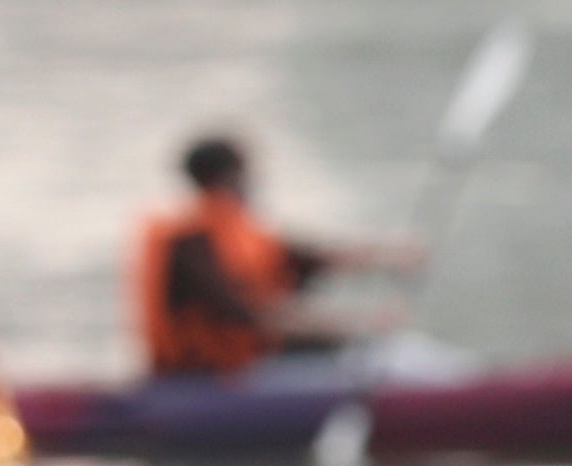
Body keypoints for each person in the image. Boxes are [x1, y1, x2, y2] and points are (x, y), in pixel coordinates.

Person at [131, 134, 417, 381]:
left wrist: (388, 256)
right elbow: (237, 312)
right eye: (245, 173)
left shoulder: (236, 227)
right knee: (351, 348)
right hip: (202, 370)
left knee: (350, 344)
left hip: (248, 357)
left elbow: (304, 258)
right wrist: (356, 326)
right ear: (230, 176)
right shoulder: (189, 238)